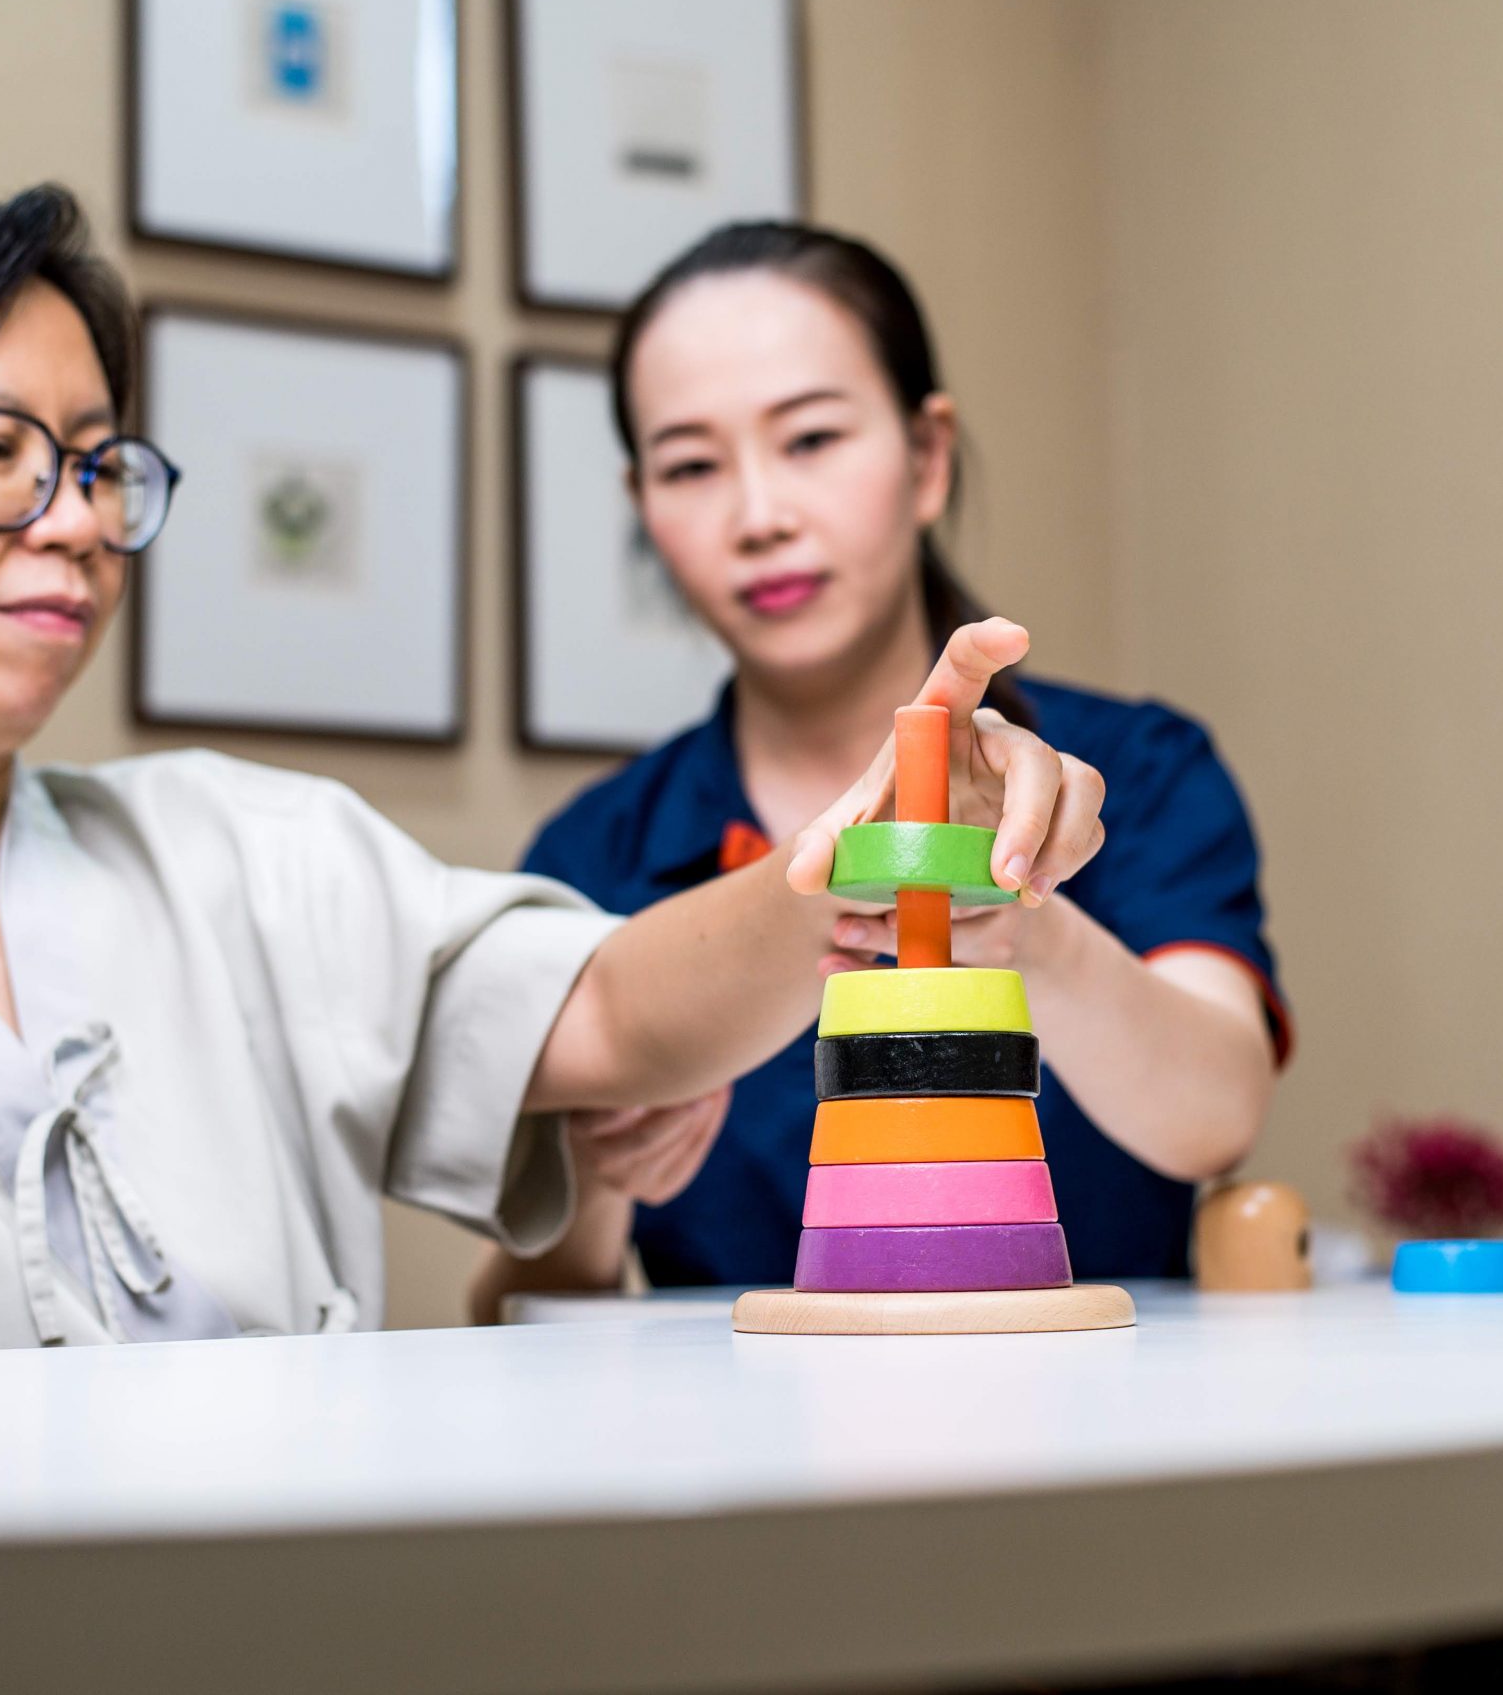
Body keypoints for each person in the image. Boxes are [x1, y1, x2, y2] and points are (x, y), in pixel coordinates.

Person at [0, 183, 1094, 1351]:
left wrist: (892, 829)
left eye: (101, 465)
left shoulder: (251, 850)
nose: (73, 521)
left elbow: (618, 1008)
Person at [473, 223, 1287, 1317]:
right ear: (643, 507)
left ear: (926, 457)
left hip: (1097, 1393)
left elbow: (1218, 1115)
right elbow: (520, 1305)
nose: (760, 517)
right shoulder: (595, 851)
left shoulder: (1140, 768)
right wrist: (597, 1173)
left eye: (810, 438)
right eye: (691, 465)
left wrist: (1018, 914)